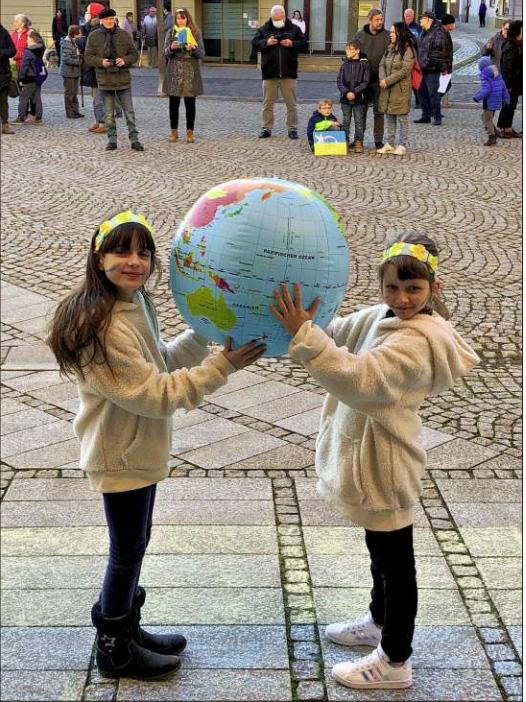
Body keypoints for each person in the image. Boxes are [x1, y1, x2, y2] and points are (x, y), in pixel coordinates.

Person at [46, 210, 266, 681]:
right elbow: (154, 394)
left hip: (138, 449)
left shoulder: (133, 303)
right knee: (126, 549)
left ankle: (128, 626)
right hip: (119, 452)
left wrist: (206, 331)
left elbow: (160, 361)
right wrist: (222, 366)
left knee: (136, 542)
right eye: (122, 251)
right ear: (98, 257)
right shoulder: (101, 325)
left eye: (143, 253)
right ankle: (114, 650)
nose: (135, 261)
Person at [270, 232, 479, 691]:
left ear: (434, 288)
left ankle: (394, 660)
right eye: (392, 287)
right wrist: (305, 320)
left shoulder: (418, 341)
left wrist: (306, 336)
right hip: (370, 458)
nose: (401, 298)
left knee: (397, 565)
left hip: (386, 465)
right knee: (380, 555)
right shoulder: (382, 316)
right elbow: (337, 331)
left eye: (413, 289)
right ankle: (378, 621)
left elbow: (362, 379)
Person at [85, 8, 144, 152]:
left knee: (129, 113)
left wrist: (125, 60)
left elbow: (134, 54)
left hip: (123, 79)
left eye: (111, 19)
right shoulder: (93, 36)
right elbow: (88, 56)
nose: (109, 21)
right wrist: (100, 62)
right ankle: (112, 140)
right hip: (104, 80)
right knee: (109, 115)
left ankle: (134, 140)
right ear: (101, 21)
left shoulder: (124, 34)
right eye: (106, 19)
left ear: (115, 19)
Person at [252, 4, 306, 140]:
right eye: (275, 18)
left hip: (289, 72)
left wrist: (292, 44)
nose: (277, 20)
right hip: (269, 72)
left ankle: (292, 128)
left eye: (279, 18)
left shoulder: (294, 29)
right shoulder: (263, 29)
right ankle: (266, 128)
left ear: (284, 16)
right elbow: (255, 44)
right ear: (271, 17)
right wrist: (267, 42)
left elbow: (304, 45)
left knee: (291, 104)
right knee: (267, 104)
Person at [163, 7, 204, 144]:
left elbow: (202, 54)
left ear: (187, 19)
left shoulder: (195, 32)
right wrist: (171, 48)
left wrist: (194, 48)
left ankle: (190, 132)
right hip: (174, 69)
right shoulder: (171, 32)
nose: (181, 21)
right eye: (178, 18)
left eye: (183, 18)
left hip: (190, 69)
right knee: (173, 102)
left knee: (190, 102)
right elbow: (165, 53)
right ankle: (173, 132)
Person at [377, 22, 416, 156]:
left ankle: (402, 145)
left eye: (393, 32)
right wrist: (383, 79)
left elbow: (405, 70)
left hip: (400, 89)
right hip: (387, 88)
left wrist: (387, 81)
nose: (391, 34)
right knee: (390, 116)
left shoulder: (408, 50)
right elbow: (382, 64)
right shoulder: (390, 48)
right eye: (391, 32)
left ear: (400, 33)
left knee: (402, 117)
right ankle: (389, 144)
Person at [353, 9, 390, 149]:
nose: (380, 22)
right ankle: (359, 139)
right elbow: (353, 54)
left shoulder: (387, 36)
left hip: (380, 80)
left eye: (381, 19)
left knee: (379, 112)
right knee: (361, 111)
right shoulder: (359, 36)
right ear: (370, 20)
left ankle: (378, 140)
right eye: (377, 20)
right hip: (363, 81)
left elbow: (390, 56)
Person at [414, 11, 448, 126]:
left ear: (429, 19)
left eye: (422, 18)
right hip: (422, 69)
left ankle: (437, 117)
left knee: (433, 94)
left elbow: (438, 53)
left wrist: (426, 64)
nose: (420, 20)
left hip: (432, 69)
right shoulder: (423, 32)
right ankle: (426, 116)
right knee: (421, 92)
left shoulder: (438, 33)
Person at [336, 41, 370, 153]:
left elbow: (365, 82)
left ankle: (358, 141)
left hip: (359, 98)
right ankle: (344, 141)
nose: (348, 51)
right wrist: (346, 92)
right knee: (346, 121)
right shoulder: (344, 64)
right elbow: (339, 81)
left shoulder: (364, 64)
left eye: (350, 49)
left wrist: (355, 92)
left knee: (359, 121)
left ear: (357, 50)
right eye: (347, 49)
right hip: (345, 98)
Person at [473, 56, 510, 146]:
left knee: (487, 119)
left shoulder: (485, 75)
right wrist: (506, 100)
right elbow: (504, 88)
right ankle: (495, 132)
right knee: (486, 117)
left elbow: (486, 89)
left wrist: (477, 97)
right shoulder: (498, 74)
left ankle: (492, 136)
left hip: (489, 102)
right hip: (496, 102)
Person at [496, 19, 522, 139]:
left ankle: (508, 127)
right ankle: (501, 128)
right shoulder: (510, 46)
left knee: (512, 105)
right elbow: (507, 68)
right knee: (507, 105)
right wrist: (509, 85)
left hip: (515, 83)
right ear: (517, 32)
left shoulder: (516, 44)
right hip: (510, 83)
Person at [16, 29, 47, 125]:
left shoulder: (29, 51)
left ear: (32, 39)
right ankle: (38, 117)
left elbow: (24, 66)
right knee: (37, 97)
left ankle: (21, 117)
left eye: (28, 38)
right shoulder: (41, 48)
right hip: (38, 76)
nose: (26, 40)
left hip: (29, 77)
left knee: (23, 98)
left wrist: (21, 77)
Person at [60, 24, 84, 119]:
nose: (80, 36)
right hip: (68, 72)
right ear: (74, 34)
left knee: (74, 92)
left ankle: (75, 111)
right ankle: (70, 112)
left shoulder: (74, 42)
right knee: (69, 93)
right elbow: (66, 59)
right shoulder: (67, 43)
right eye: (79, 34)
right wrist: (78, 61)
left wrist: (79, 55)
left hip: (74, 71)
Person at [0, 22, 16, 135]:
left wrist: (1, 52)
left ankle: (5, 125)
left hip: (2, 74)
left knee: (3, 101)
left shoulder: (3, 33)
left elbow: (13, 50)